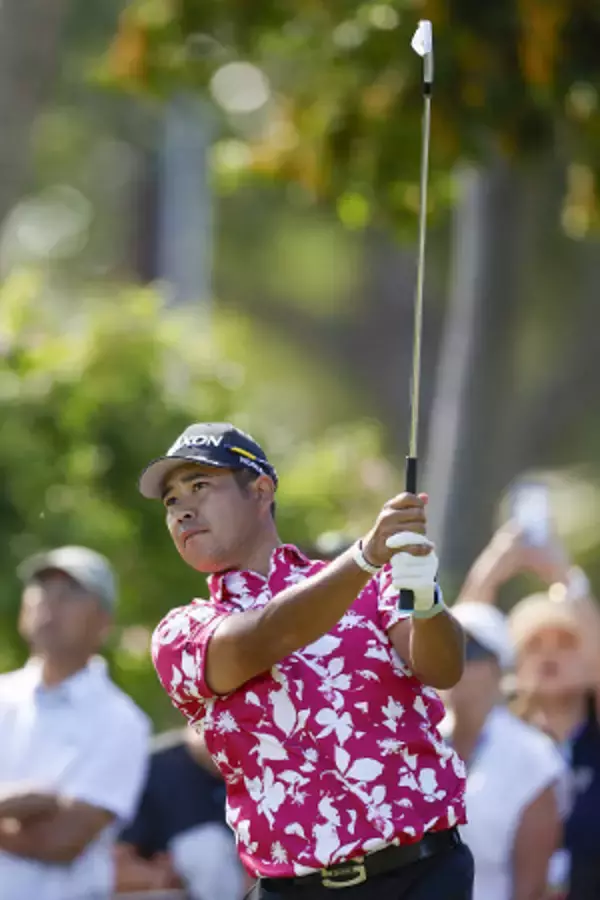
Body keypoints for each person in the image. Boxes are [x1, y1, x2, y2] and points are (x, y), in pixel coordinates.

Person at [138, 421, 472, 900]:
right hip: (297, 889)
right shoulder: (180, 631)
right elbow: (268, 636)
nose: (183, 510)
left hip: (423, 875)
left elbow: (443, 669)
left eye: (200, 487)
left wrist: (425, 597)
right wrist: (365, 557)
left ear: (260, 490)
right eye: (171, 502)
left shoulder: (370, 583)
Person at [458, 525, 600, 900]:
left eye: (567, 642)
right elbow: (460, 646)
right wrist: (491, 568)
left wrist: (563, 575)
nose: (549, 654)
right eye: (533, 644)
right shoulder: (496, 742)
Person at [0, 545, 150, 900]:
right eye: (41, 590)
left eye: (69, 593)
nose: (48, 603)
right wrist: (23, 804)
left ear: (104, 623)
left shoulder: (122, 722)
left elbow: (61, 842)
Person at [441, 602, 566, 900]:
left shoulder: (535, 757)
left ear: (499, 666)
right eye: (445, 649)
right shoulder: (413, 743)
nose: (454, 662)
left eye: (469, 652)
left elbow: (531, 888)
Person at [116, 724, 246, 900]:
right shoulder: (152, 767)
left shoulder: (277, 768)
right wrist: (160, 876)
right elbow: (116, 863)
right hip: (174, 892)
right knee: (206, 848)